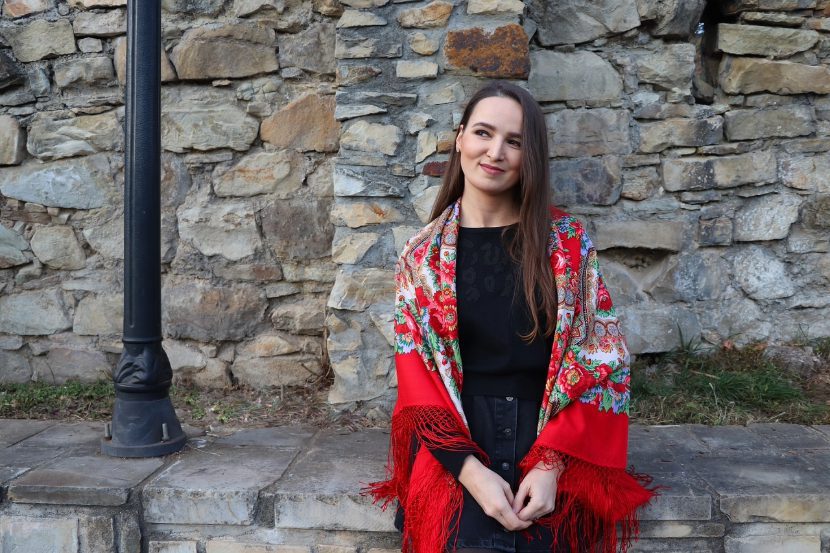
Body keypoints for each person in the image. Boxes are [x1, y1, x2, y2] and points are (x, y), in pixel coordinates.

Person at [367, 81, 654, 553]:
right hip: (455, 444)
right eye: (483, 132)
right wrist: (469, 472)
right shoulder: (421, 256)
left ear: (530, 155)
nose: (495, 151)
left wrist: (551, 465)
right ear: (460, 138)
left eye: (515, 141)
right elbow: (417, 378)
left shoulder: (567, 245)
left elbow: (602, 361)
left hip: (552, 436)